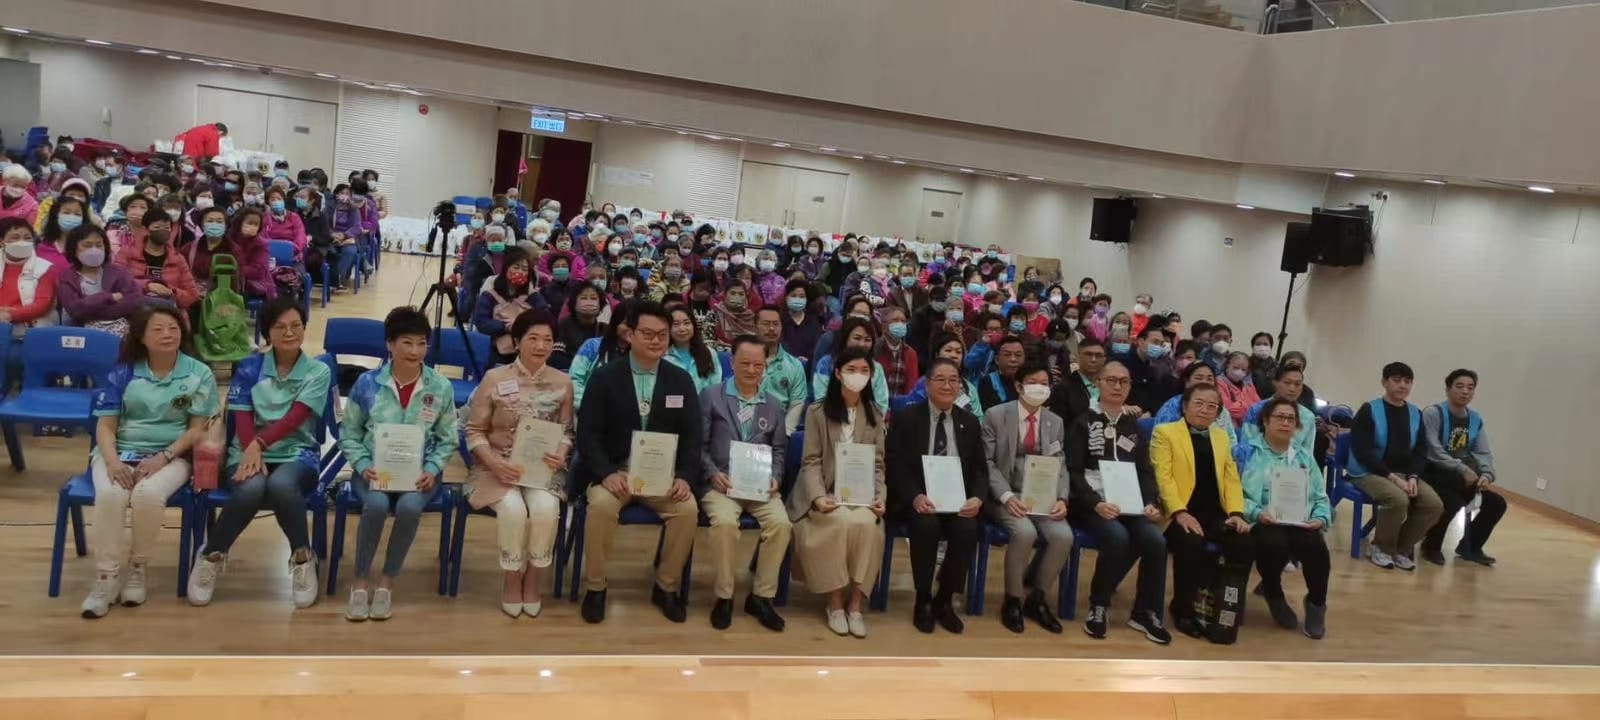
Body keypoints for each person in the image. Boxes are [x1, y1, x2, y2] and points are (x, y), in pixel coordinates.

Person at [187, 299, 330, 609]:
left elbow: (296, 417)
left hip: (296, 451)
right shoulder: (250, 367)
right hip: (246, 448)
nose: (289, 332)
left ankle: (302, 557)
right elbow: (242, 414)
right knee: (252, 488)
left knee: (281, 485)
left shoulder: (318, 371)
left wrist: (259, 445)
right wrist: (251, 448)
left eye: (296, 325)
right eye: (280, 327)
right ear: (267, 332)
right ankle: (211, 555)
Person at [81, 307, 218, 618]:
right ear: (141, 338)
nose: (167, 334)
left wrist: (164, 457)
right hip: (119, 452)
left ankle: (138, 568)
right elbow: (105, 426)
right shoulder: (122, 373)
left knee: (147, 495)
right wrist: (113, 463)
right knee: (110, 494)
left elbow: (197, 429)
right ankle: (105, 578)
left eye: (173, 328)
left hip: (172, 454)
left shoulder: (199, 373)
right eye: (157, 329)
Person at [575, 302, 702, 624]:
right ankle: (596, 587)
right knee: (601, 507)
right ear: (629, 334)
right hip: (616, 471)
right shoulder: (604, 377)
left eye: (662, 334)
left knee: (687, 510)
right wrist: (605, 473)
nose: (656, 340)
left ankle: (666, 586)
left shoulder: (680, 380)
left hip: (662, 475)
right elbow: (587, 434)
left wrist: (684, 476)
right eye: (648, 333)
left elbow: (693, 436)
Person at [337, 307, 460, 621]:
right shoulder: (367, 384)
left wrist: (432, 469)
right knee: (376, 505)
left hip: (420, 474)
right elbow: (349, 432)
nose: (415, 351)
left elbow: (448, 438)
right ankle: (360, 581)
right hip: (373, 470)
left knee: (409, 507)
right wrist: (363, 463)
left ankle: (386, 582)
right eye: (407, 342)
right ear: (389, 344)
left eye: (422, 343)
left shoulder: (439, 387)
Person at [463, 309, 575, 618]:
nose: (540, 346)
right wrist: (494, 464)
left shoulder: (563, 382)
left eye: (548, 340)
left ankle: (534, 575)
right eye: (533, 338)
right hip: (496, 466)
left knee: (546, 509)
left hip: (542, 468)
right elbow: (474, 431)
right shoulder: (495, 378)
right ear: (516, 341)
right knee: (513, 510)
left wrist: (561, 453)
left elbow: (567, 431)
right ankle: (512, 576)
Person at [1066, 361, 1170, 644]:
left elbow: (1145, 471)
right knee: (1117, 537)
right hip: (1092, 505)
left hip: (1129, 504)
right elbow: (1073, 471)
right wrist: (1095, 503)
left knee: (1155, 540)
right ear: (1097, 383)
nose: (1117, 386)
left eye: (1123, 381)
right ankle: (1099, 605)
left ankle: (1144, 611)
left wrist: (1150, 502)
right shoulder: (1082, 422)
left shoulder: (1132, 425)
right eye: (1110, 380)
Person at [696, 334, 791, 632]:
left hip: (760, 486)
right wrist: (712, 473)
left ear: (765, 367)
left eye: (758, 365)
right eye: (745, 363)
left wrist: (776, 477)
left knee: (782, 525)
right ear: (732, 363)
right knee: (725, 524)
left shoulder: (774, 404)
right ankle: (724, 596)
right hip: (722, 484)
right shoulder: (711, 396)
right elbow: (698, 445)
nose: (751, 370)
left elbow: (779, 450)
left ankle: (761, 597)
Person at [791, 347, 887, 638]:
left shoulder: (875, 414)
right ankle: (834, 602)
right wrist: (819, 497)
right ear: (837, 373)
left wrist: (879, 497)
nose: (858, 376)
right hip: (825, 493)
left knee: (866, 524)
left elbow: (878, 464)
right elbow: (811, 461)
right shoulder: (817, 412)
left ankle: (855, 605)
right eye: (851, 370)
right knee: (839, 521)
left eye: (865, 371)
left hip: (861, 495)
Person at [887, 358, 985, 634]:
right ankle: (923, 598)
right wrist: (915, 496)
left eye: (953, 380)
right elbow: (895, 463)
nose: (947, 385)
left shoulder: (969, 422)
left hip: (957, 500)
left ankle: (944, 599)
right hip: (919, 498)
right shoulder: (907, 417)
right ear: (927, 384)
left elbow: (980, 469)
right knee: (926, 526)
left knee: (968, 529)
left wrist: (977, 498)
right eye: (940, 379)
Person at [1150, 383, 1253, 641]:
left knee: (1243, 541)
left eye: (1212, 406)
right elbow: (1163, 478)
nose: (1205, 410)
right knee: (1191, 542)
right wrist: (1179, 512)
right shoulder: (1165, 433)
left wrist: (1237, 512)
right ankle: (1183, 609)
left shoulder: (1220, 436)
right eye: (1198, 403)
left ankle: (1226, 608)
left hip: (1215, 513)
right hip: (1178, 512)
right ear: (1185, 406)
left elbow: (1231, 478)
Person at [982, 364, 1071, 634]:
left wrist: (1062, 498)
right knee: (1024, 532)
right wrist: (1007, 496)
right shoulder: (996, 415)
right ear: (1019, 386)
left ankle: (1038, 598)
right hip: (1004, 495)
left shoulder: (1055, 421)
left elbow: (1060, 464)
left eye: (1045, 383)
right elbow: (986, 462)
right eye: (1033, 382)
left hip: (1042, 496)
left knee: (1063, 536)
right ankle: (1013, 599)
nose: (1040, 388)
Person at [1236, 397, 1333, 640]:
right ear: (1265, 421)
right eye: (1280, 417)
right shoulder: (1246, 453)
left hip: (1299, 519)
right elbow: (1233, 495)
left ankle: (1316, 604)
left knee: (1315, 547)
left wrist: (1320, 518)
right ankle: (1274, 594)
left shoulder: (1303, 457)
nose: (1286, 423)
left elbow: (1320, 496)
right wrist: (1256, 512)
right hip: (1261, 518)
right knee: (1273, 542)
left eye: (1291, 419)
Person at [1347, 362, 1444, 571]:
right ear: (1384, 382)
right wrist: (1392, 477)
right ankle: (1380, 548)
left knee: (1434, 505)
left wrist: (1413, 476)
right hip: (1368, 472)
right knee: (1398, 499)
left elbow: (1420, 450)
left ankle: (1400, 548)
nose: (1402, 385)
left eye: (1407, 382)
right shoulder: (1369, 409)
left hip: (1404, 474)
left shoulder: (1415, 413)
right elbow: (1363, 451)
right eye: (1397, 380)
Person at [1419, 369, 1506, 567]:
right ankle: (1431, 546)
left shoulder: (1475, 419)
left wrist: (1486, 474)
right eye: (1459, 386)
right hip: (1434, 472)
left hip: (1463, 476)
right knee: (1452, 501)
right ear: (1448, 389)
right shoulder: (1433, 413)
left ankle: (1470, 547)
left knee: (1496, 503)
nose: (1465, 391)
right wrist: (1462, 469)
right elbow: (1433, 450)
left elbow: (1482, 451)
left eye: (1470, 387)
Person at [57, 225, 144, 336]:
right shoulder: (68, 277)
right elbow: (75, 310)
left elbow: (134, 301)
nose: (94, 250)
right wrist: (108, 297)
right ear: (74, 249)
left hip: (120, 330)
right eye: (87, 245)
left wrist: (92, 308)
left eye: (99, 245)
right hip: (82, 333)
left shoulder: (119, 272)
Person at [472, 247, 546, 365]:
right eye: (516, 267)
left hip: (528, 349)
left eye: (525, 269)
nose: (520, 272)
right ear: (506, 268)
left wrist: (522, 324)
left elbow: (544, 317)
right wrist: (505, 326)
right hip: (496, 350)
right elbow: (481, 322)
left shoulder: (533, 295)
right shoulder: (489, 295)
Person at [810, 316, 890, 414]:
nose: (862, 344)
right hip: (831, 418)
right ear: (845, 338)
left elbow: (881, 405)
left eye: (867, 340)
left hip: (868, 420)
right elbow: (821, 400)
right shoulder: (826, 364)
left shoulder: (876, 368)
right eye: (857, 338)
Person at [753, 305, 809, 434]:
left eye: (776, 324)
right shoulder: (745, 361)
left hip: (779, 431)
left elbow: (797, 405)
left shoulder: (795, 365)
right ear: (755, 327)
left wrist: (784, 435)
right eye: (766, 324)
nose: (771, 329)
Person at [0, 218, 60, 334]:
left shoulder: (45, 268)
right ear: (2, 241)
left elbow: (42, 305)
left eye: (27, 238)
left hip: (31, 329)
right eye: (15, 237)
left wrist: (8, 315)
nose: (22, 242)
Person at [568, 299, 633, 407]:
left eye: (636, 325)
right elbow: (574, 380)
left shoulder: (644, 353)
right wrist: (592, 406)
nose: (631, 329)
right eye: (626, 324)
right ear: (616, 322)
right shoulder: (592, 346)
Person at [1240, 365, 1317, 457]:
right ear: (1275, 383)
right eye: (1287, 383)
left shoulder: (1308, 416)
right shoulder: (1257, 410)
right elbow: (1246, 445)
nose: (1292, 389)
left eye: (1297, 384)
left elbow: (1308, 452)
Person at [1154, 361, 1237, 443]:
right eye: (1199, 378)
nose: (1204, 382)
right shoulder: (1172, 406)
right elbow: (1161, 439)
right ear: (1187, 382)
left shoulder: (1220, 409)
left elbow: (1231, 442)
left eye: (1209, 379)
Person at [665, 305, 723, 395]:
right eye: (676, 324)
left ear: (693, 325)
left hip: (705, 402)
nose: (682, 329)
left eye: (687, 323)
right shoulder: (662, 355)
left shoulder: (709, 353)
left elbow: (716, 387)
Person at [1048, 338, 1106, 424]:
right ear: (1078, 357)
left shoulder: (1111, 386)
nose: (1093, 359)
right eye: (1088, 354)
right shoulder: (1062, 388)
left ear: (1104, 359)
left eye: (1098, 355)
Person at [552, 281, 604, 370]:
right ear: (574, 303)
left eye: (593, 298)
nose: (589, 302)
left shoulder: (605, 329)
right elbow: (557, 359)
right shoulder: (563, 326)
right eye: (583, 298)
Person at [875, 305, 919, 396]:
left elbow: (911, 386)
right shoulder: (874, 348)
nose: (900, 324)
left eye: (903, 321)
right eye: (895, 320)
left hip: (901, 402)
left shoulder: (910, 353)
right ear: (884, 325)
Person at [976, 335, 1026, 412]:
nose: (1013, 359)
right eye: (1007, 355)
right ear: (997, 360)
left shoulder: (1030, 381)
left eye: (1018, 355)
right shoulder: (987, 381)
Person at [779, 279, 822, 365]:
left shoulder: (813, 321)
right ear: (786, 297)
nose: (797, 299)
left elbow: (816, 345)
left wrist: (808, 359)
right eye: (793, 295)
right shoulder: (780, 319)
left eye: (802, 296)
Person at [260, 186, 307, 260]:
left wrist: (290, 250)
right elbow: (263, 239)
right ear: (268, 203)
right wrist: (276, 250)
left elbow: (300, 236)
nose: (276, 201)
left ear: (283, 200)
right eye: (273, 199)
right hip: (270, 255)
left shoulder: (294, 217)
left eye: (279, 199)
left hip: (292, 253)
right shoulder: (264, 218)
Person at [1216, 351, 1260, 427]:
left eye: (1243, 369)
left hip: (1248, 427)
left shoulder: (1249, 386)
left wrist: (1240, 405)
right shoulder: (1218, 383)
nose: (1239, 371)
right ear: (1227, 366)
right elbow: (1227, 408)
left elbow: (1259, 407)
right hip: (1227, 427)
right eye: (1235, 368)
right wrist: (1249, 407)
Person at [1248, 332, 1278, 398]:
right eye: (1258, 344)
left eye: (1265, 344)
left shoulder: (1276, 366)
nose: (1262, 347)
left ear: (1270, 347)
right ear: (1253, 347)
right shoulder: (1246, 364)